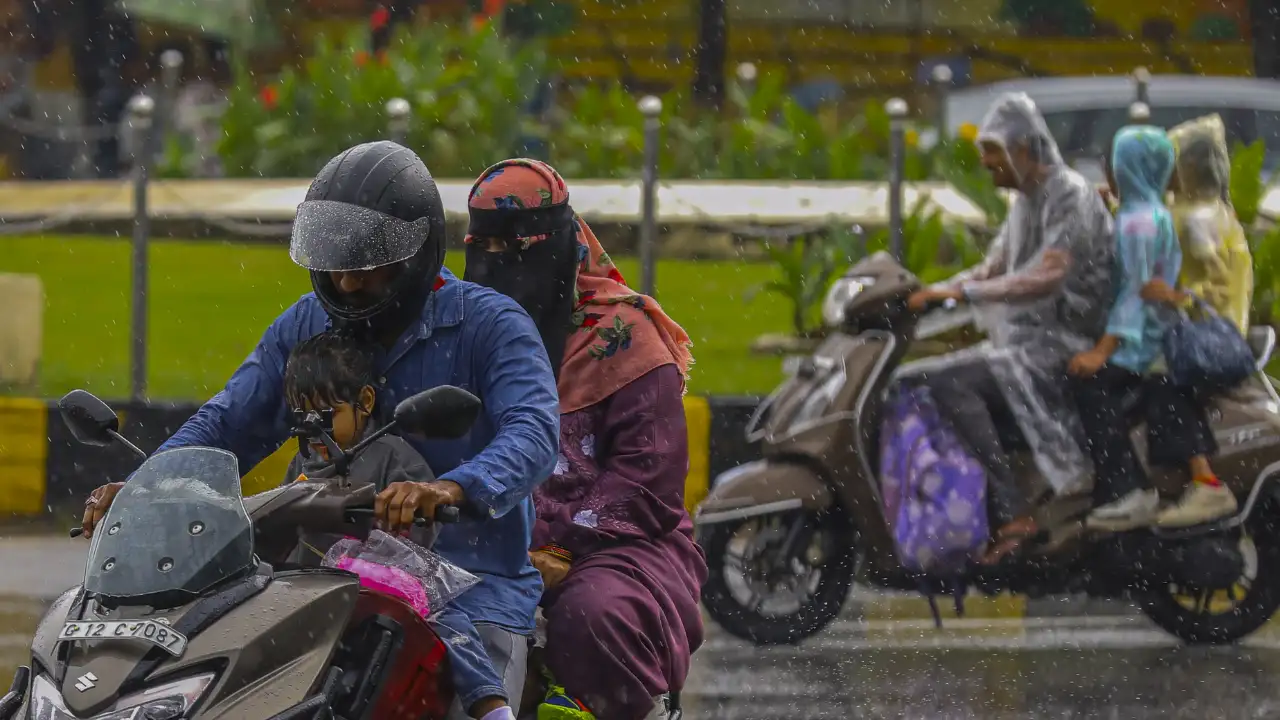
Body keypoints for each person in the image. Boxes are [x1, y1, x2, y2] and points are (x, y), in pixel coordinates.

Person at [80, 141, 560, 720]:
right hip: (319, 581)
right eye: (336, 262)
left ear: (418, 254)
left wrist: (451, 488)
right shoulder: (306, 322)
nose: (346, 283)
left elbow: (534, 431)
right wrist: (147, 486)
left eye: (367, 264)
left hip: (467, 587)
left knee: (472, 702)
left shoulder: (491, 325)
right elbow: (228, 421)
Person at [462, 158, 706, 720]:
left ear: (558, 244)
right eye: (484, 248)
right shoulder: (465, 330)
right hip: (482, 533)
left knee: (593, 616)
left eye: (515, 249)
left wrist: (555, 544)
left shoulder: (627, 339)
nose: (496, 265)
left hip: (616, 545)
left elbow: (647, 480)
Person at [904, 92, 1116, 563]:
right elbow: (992, 267)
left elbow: (1050, 274)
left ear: (1023, 147)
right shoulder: (1025, 202)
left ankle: (1012, 512)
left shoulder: (1069, 194)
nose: (984, 162)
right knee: (922, 378)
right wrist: (929, 292)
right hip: (1027, 343)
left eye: (992, 150)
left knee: (952, 381)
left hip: (1065, 345)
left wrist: (966, 294)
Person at [1139, 113, 1254, 527]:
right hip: (1213, 328)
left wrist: (1173, 295)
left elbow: (1208, 275)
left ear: (1188, 166)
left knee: (1159, 377)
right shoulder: (1208, 210)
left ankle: (1204, 481)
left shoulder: (1197, 216)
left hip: (1208, 334)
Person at [1067, 125, 1182, 531]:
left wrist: (1102, 351)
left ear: (1127, 168)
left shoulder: (1137, 224)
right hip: (1153, 331)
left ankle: (1125, 487)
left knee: (1088, 384)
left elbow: (1135, 292)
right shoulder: (1148, 213)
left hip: (1142, 341)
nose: (1108, 172)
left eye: (1114, 165)